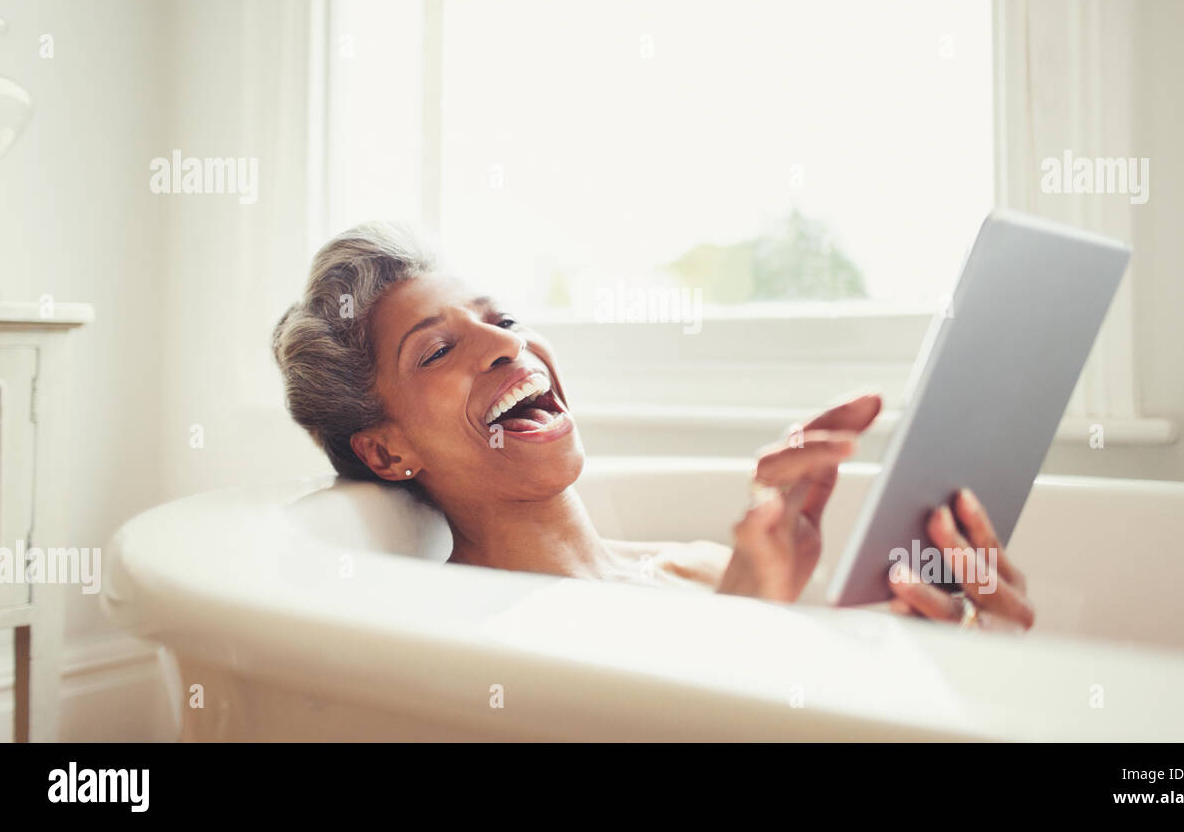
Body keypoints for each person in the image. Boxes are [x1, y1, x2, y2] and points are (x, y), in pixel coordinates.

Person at [272, 221, 1034, 631]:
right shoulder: (465, 636)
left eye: (503, 318)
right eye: (439, 349)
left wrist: (968, 648)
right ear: (386, 448)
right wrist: (745, 626)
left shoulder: (701, 568)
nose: (507, 344)